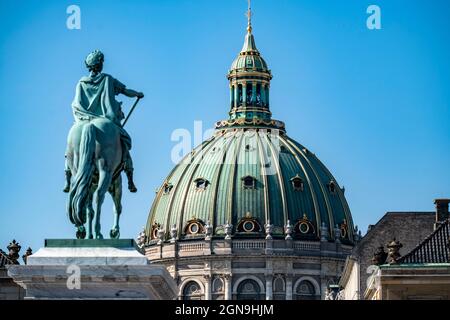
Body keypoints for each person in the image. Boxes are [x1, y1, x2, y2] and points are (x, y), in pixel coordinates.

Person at [64, 50, 143, 193]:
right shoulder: (108, 79)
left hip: (82, 119)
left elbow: (76, 104)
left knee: (70, 148)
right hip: (105, 120)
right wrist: (137, 94)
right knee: (125, 143)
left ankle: (68, 179)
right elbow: (126, 91)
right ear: (99, 64)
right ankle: (130, 180)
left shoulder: (81, 83)